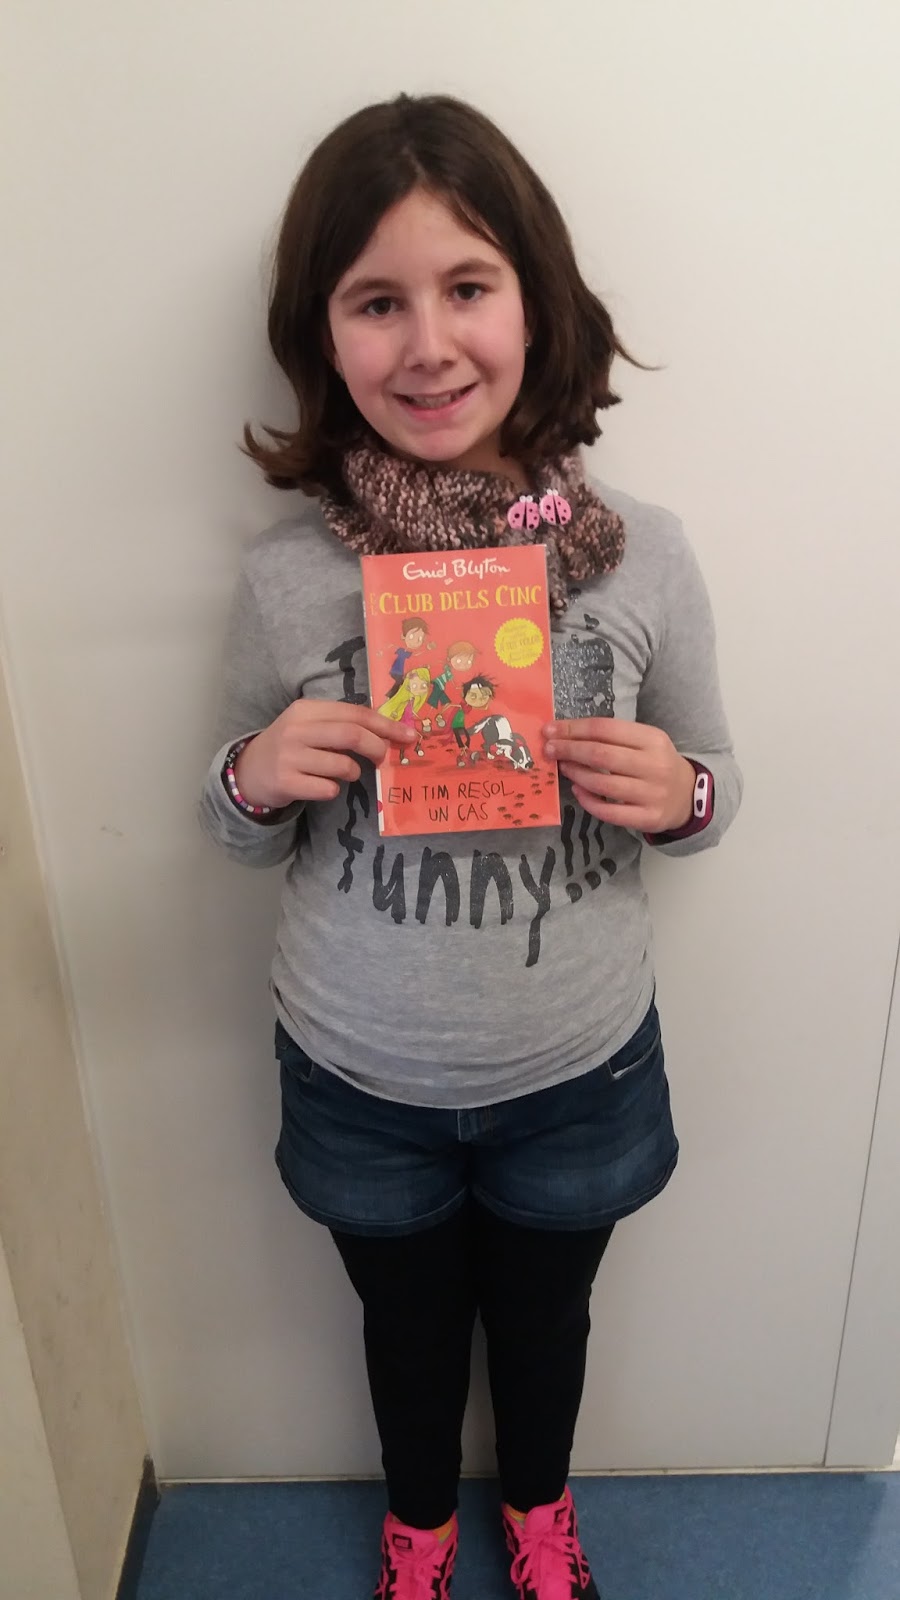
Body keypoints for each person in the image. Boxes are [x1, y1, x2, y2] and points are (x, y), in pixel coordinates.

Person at [199, 93, 742, 1600]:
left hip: (578, 1069)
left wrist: (680, 792)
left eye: (468, 285)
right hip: (360, 1075)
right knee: (406, 1328)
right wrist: (254, 777)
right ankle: (421, 1525)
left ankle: (542, 1510)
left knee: (549, 1323)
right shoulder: (289, 579)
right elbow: (227, 828)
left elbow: (721, 783)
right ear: (324, 336)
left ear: (536, 302)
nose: (428, 343)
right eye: (377, 300)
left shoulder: (644, 553)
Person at [377, 666, 432, 762]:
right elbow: (402, 710)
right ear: (408, 686)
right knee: (405, 740)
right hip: (404, 723)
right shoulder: (404, 701)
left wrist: (422, 720)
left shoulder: (415, 700)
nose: (419, 689)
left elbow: (413, 714)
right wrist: (394, 714)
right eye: (414, 686)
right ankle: (402, 756)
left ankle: (417, 748)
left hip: (410, 723)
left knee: (419, 736)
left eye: (423, 686)